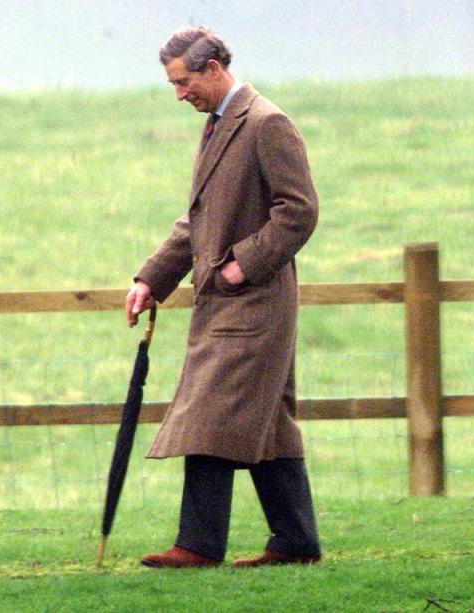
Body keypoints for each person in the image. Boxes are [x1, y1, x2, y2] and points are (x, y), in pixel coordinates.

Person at [124, 26, 321, 568]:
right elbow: (198, 220)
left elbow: (299, 212)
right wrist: (151, 279)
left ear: (213, 68)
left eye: (184, 81)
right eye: (173, 84)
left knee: (210, 413)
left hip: (255, 303)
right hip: (229, 305)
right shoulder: (216, 126)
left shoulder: (266, 124)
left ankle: (198, 545)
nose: (179, 94)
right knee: (267, 423)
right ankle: (296, 542)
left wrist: (243, 265)